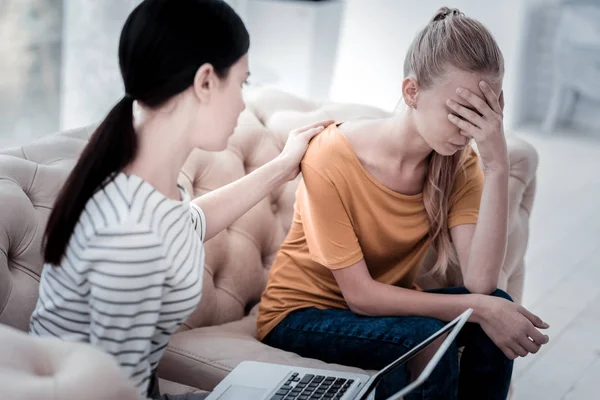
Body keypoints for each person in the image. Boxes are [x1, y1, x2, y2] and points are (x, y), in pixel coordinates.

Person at [28, 1, 331, 399]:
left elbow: (187, 222)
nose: (243, 102)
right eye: (241, 82)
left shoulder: (146, 183)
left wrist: (282, 165)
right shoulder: (129, 234)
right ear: (205, 81)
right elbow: (114, 392)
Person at [257, 7, 550, 400]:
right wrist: (480, 307)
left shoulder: (459, 163)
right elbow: (360, 296)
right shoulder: (331, 157)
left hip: (381, 310)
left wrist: (496, 165)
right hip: (299, 314)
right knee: (432, 336)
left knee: (498, 305)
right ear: (411, 92)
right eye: (459, 112)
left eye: (482, 113)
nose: (468, 129)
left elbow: (482, 283)